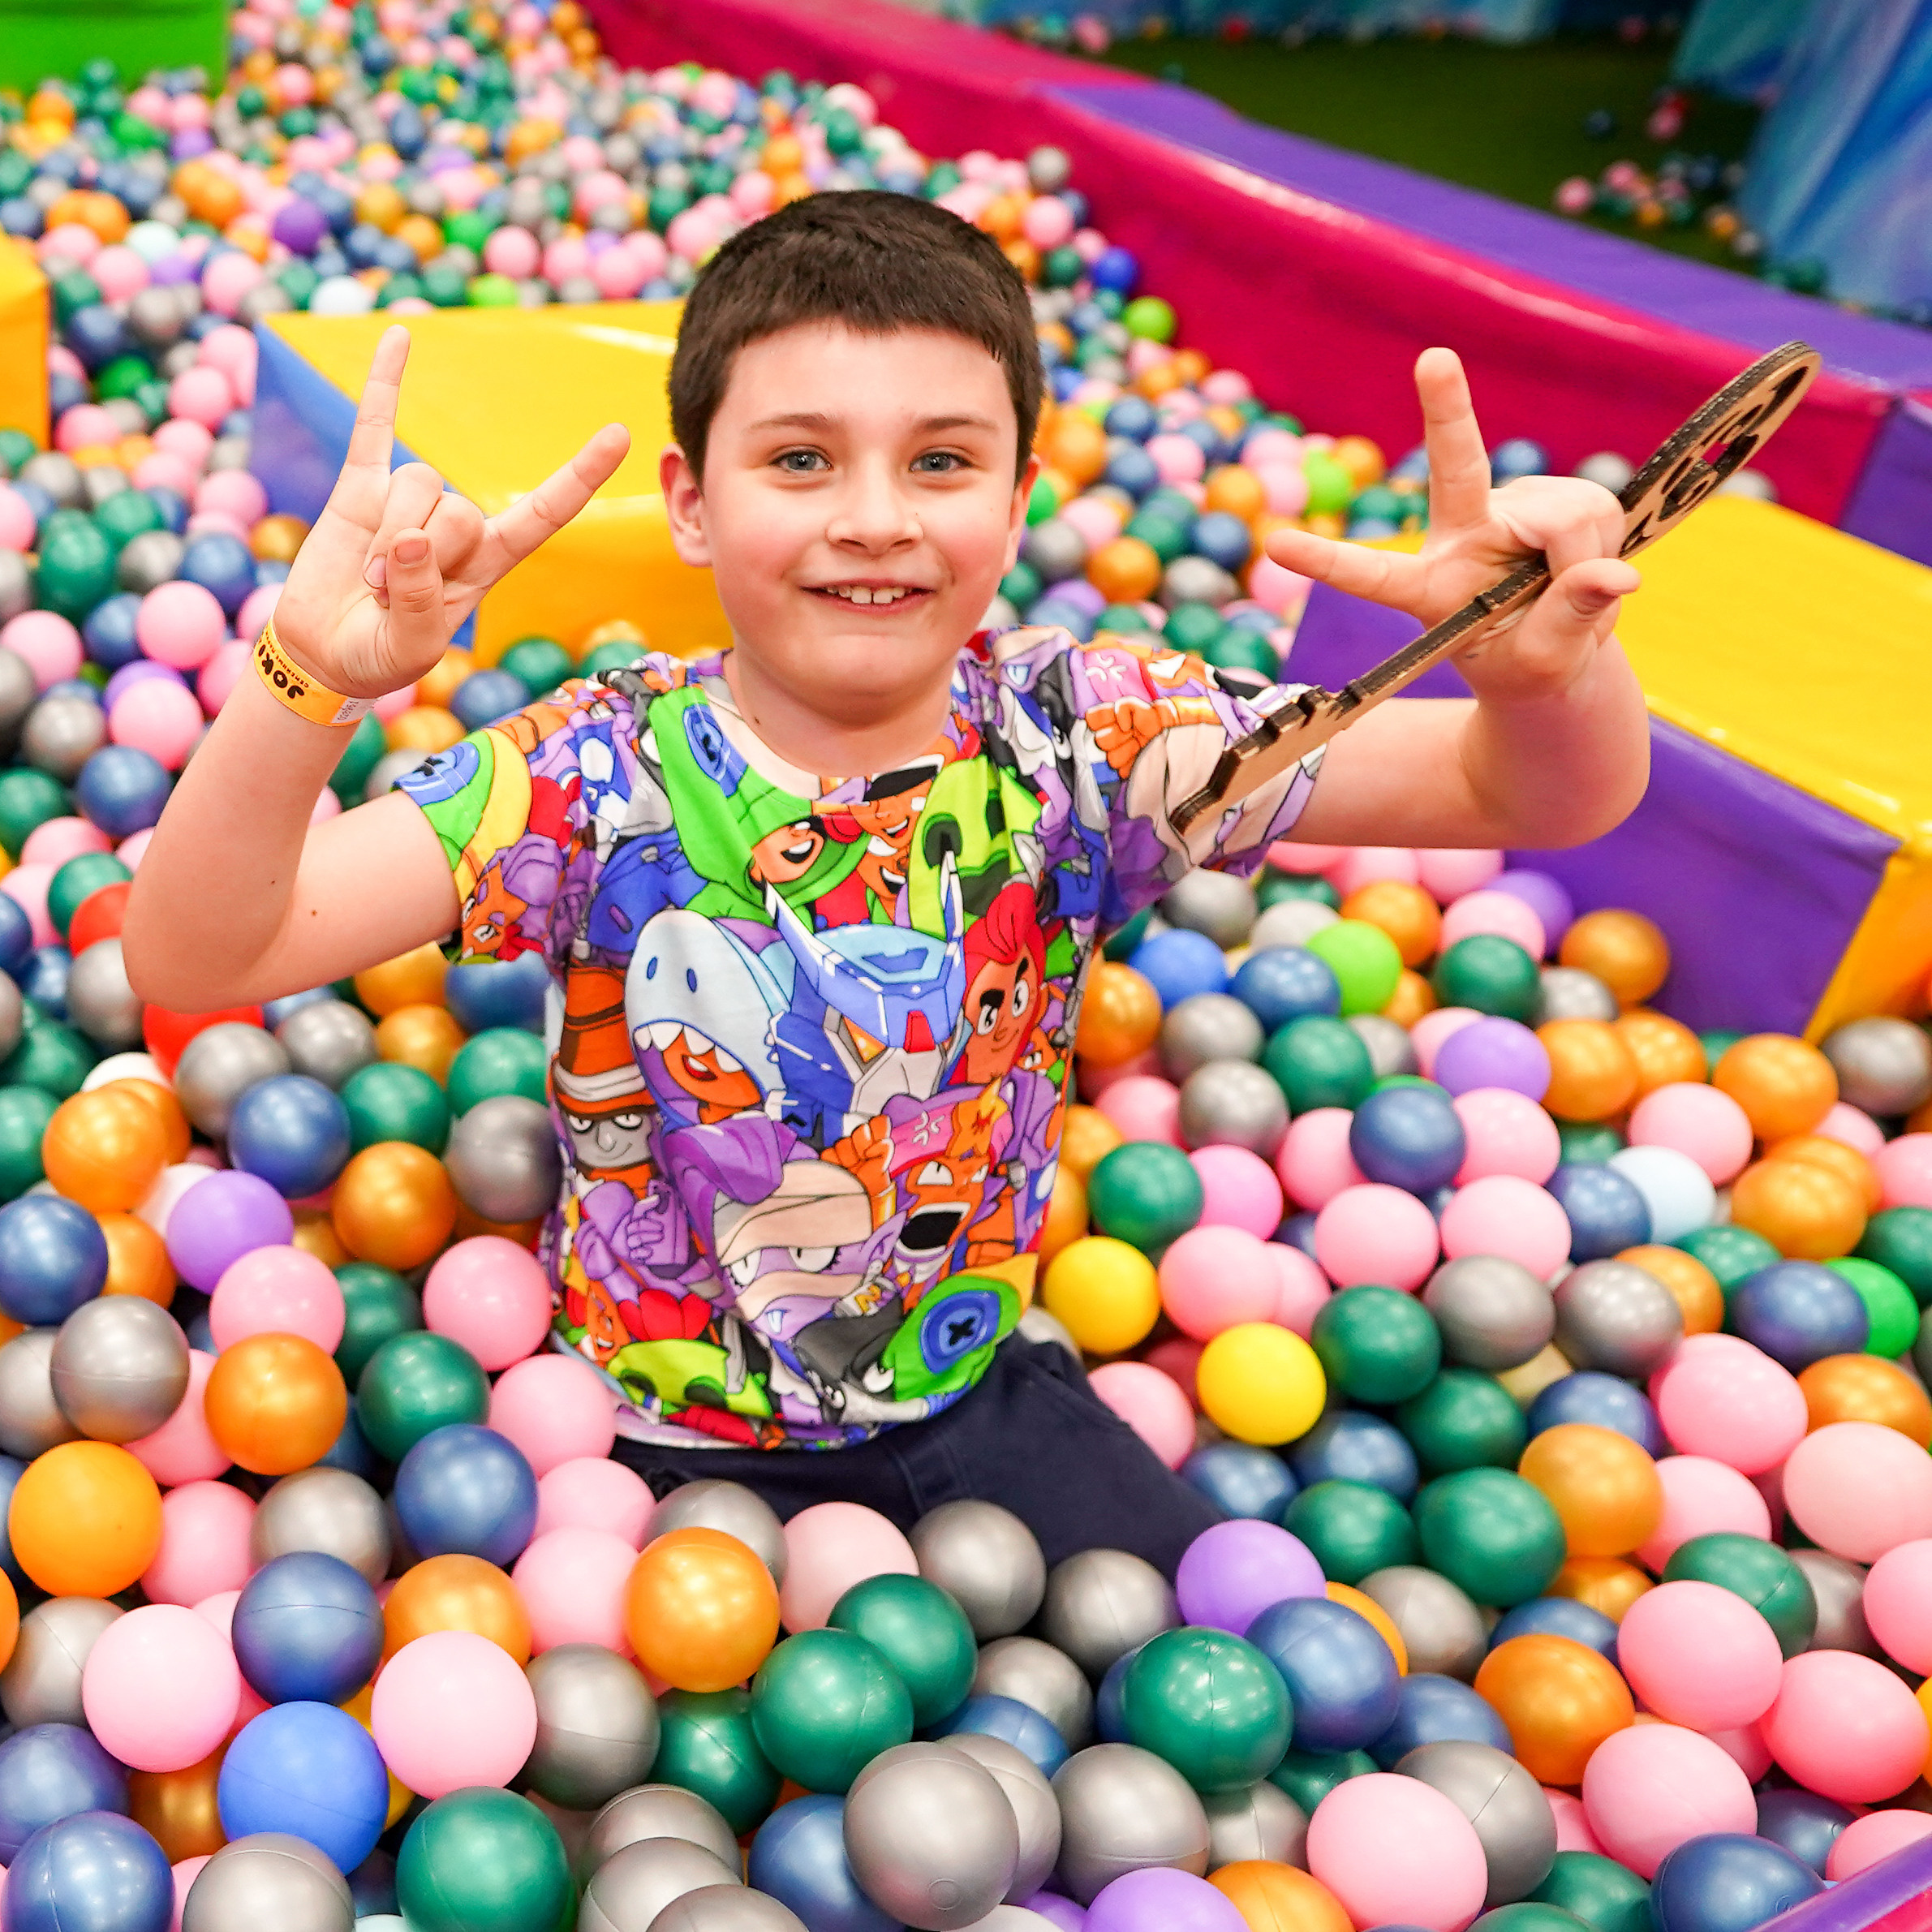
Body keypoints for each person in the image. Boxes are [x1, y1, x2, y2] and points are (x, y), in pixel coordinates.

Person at [123, 191, 1647, 1575]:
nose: (873, 515)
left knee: (1235, 1659)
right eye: (800, 459)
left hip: (971, 1381)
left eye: (939, 461)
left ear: (1018, 494)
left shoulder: (1089, 736)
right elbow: (199, 949)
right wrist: (305, 673)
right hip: (640, 1443)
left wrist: (1539, 676)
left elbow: (1533, 792)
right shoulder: (595, 772)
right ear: (692, 502)